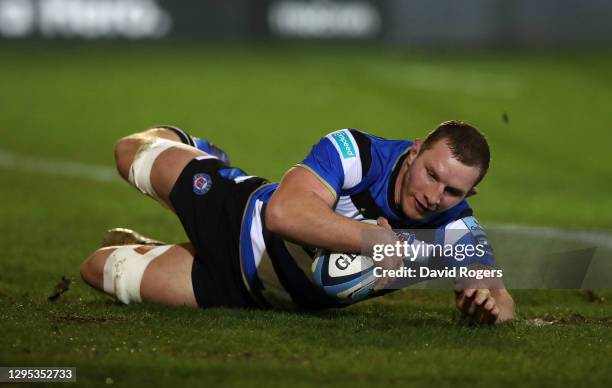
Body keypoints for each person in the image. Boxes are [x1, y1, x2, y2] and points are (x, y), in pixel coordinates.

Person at [80, 121, 515, 324]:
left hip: (246, 294)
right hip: (236, 215)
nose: (433, 195)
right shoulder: (357, 152)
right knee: (127, 153)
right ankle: (194, 147)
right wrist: (373, 240)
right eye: (431, 174)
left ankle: (151, 247)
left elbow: (501, 298)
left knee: (98, 269)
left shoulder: (456, 230)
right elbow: (283, 214)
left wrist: (488, 307)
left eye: (452, 191)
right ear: (417, 151)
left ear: (468, 195)